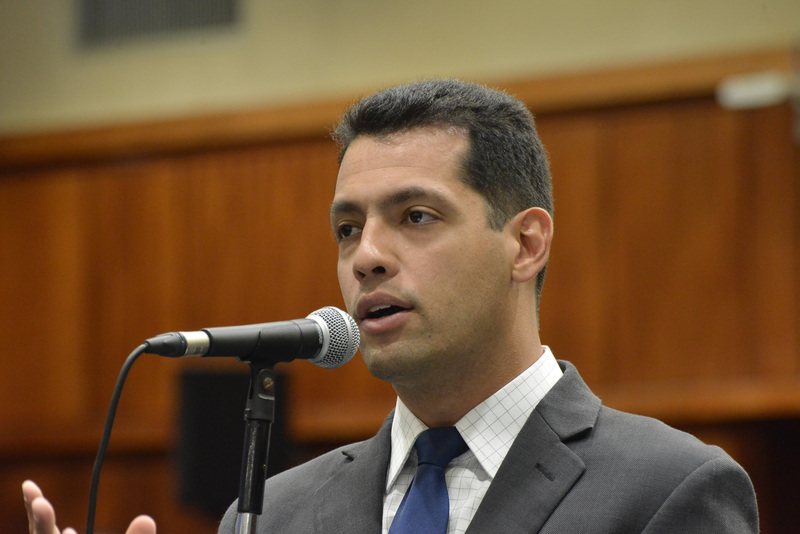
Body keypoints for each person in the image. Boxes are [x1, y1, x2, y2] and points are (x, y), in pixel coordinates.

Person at [24, 79, 759, 533]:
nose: (365, 256)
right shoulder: (271, 516)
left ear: (525, 243)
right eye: (348, 228)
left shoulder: (668, 491)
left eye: (416, 216)